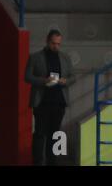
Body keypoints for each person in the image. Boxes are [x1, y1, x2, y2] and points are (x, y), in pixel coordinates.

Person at [24, 29, 75, 165]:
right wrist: (43, 80)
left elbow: (73, 77)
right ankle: (38, 162)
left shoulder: (65, 58)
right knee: (40, 134)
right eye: (53, 43)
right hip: (42, 102)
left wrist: (66, 81)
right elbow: (27, 77)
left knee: (55, 134)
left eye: (58, 44)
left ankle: (52, 162)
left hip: (59, 102)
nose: (56, 46)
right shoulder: (35, 57)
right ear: (47, 41)